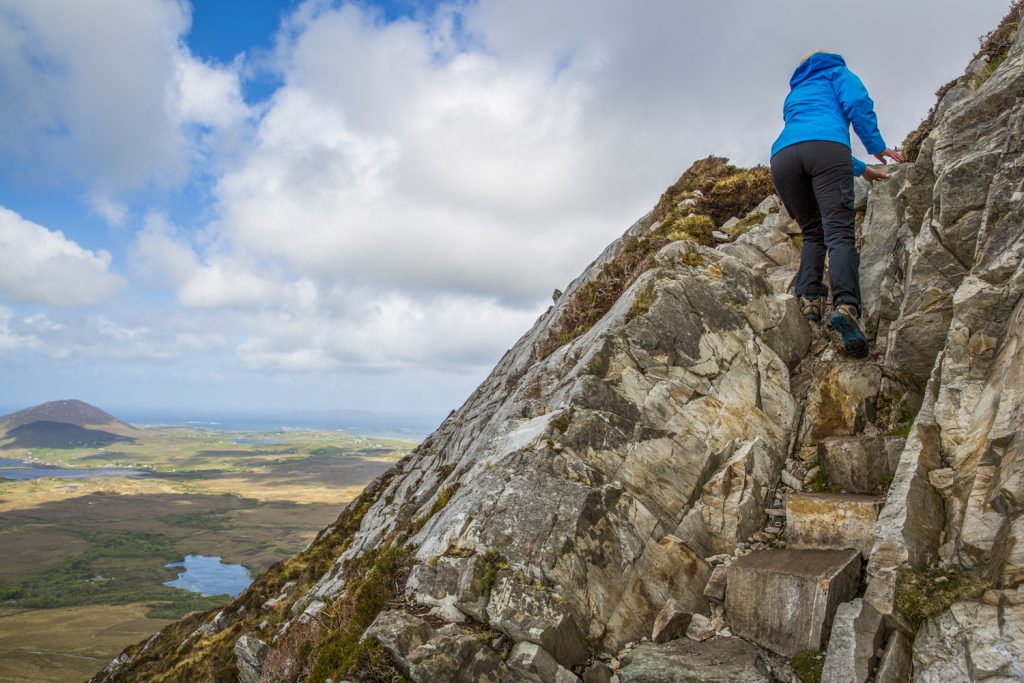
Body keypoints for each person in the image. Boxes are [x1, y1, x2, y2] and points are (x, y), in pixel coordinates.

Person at [769, 51, 903, 359]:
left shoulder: (796, 93)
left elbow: (809, 138)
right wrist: (876, 145)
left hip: (782, 159)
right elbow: (853, 107)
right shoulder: (836, 73)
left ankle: (810, 301)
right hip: (827, 150)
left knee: (813, 231)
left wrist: (860, 168)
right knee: (839, 233)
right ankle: (846, 306)